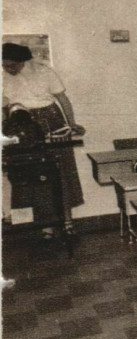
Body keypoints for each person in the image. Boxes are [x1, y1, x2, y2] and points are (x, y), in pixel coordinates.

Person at [2, 42, 85, 236]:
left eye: (12, 65)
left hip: (51, 122)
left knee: (61, 171)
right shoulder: (2, 77)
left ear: (24, 62)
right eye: (4, 65)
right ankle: (42, 225)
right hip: (21, 124)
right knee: (28, 176)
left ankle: (67, 221)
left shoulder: (43, 72)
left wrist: (72, 124)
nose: (8, 69)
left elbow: (63, 99)